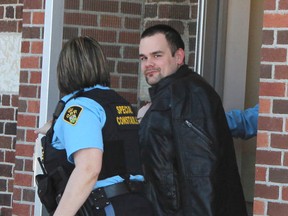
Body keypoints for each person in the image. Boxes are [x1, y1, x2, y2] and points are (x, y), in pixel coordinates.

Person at [35, 36, 153, 216]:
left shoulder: (80, 108)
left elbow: (88, 169)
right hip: (136, 203)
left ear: (65, 70)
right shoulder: (118, 103)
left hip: (104, 206)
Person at [138, 24, 248, 216]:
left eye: (157, 55)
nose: (148, 64)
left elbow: (200, 174)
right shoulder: (170, 95)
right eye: (143, 58)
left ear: (178, 57)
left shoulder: (188, 94)